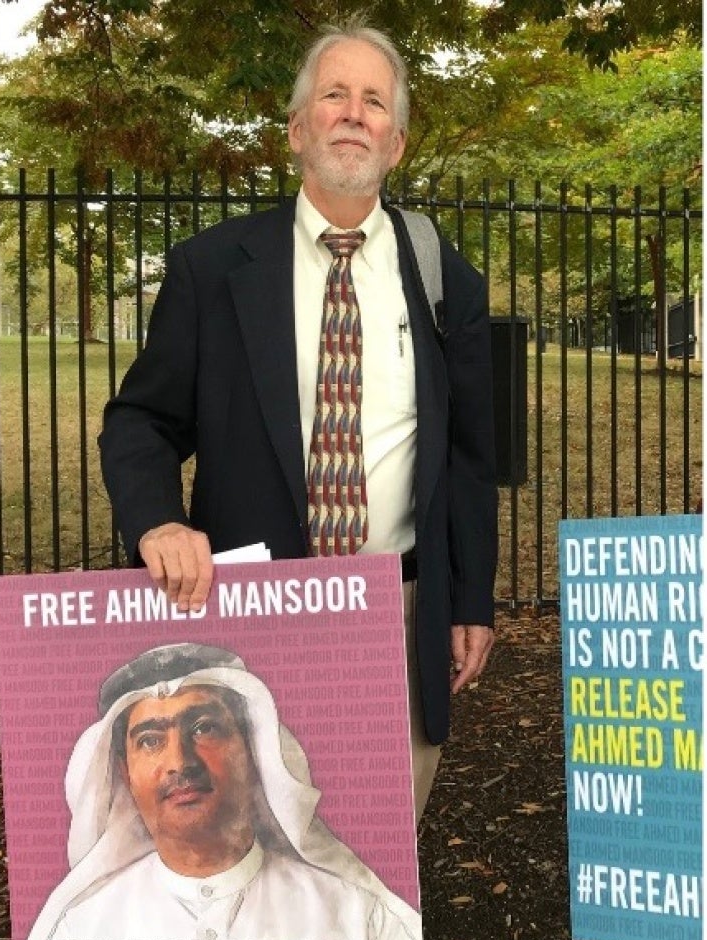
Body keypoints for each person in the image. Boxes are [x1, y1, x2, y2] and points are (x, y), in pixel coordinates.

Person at [99, 17, 498, 820]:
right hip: (253, 613)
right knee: (250, 851)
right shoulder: (214, 270)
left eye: (375, 102)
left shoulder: (443, 278)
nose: (354, 113)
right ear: (296, 129)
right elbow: (141, 419)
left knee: (377, 853)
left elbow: (466, 454)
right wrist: (157, 522)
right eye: (334, 95)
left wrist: (471, 602)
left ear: (396, 143)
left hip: (397, 612)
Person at [15, 643, 425, 940]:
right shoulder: (79, 931)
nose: (180, 762)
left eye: (204, 728)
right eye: (151, 740)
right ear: (124, 773)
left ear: (252, 749)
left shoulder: (362, 917)